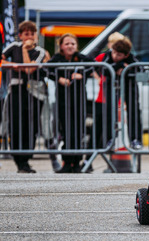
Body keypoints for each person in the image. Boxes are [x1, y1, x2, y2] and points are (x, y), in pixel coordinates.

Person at [1, 21, 50, 173]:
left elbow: (29, 69)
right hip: (16, 89)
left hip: (34, 92)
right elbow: (1, 59)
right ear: (21, 35)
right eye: (26, 34)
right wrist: (13, 65)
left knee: (31, 126)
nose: (29, 37)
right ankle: (18, 160)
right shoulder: (13, 46)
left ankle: (26, 158)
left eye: (31, 34)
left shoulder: (40, 51)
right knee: (15, 124)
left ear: (35, 35)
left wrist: (24, 50)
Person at [48, 33, 94, 173]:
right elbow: (46, 69)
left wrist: (82, 75)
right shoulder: (57, 59)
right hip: (63, 101)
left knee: (78, 131)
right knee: (66, 131)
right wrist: (59, 79)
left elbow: (94, 66)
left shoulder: (81, 58)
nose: (70, 46)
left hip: (79, 100)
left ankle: (77, 162)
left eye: (73, 43)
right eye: (67, 43)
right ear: (61, 46)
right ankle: (67, 162)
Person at [95, 36, 142, 150]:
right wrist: (121, 65)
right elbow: (105, 70)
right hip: (111, 86)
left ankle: (135, 139)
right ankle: (109, 139)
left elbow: (140, 70)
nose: (115, 56)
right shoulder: (108, 55)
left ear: (126, 55)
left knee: (133, 110)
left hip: (129, 86)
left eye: (119, 55)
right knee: (110, 111)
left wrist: (126, 69)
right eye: (114, 53)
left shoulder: (131, 57)